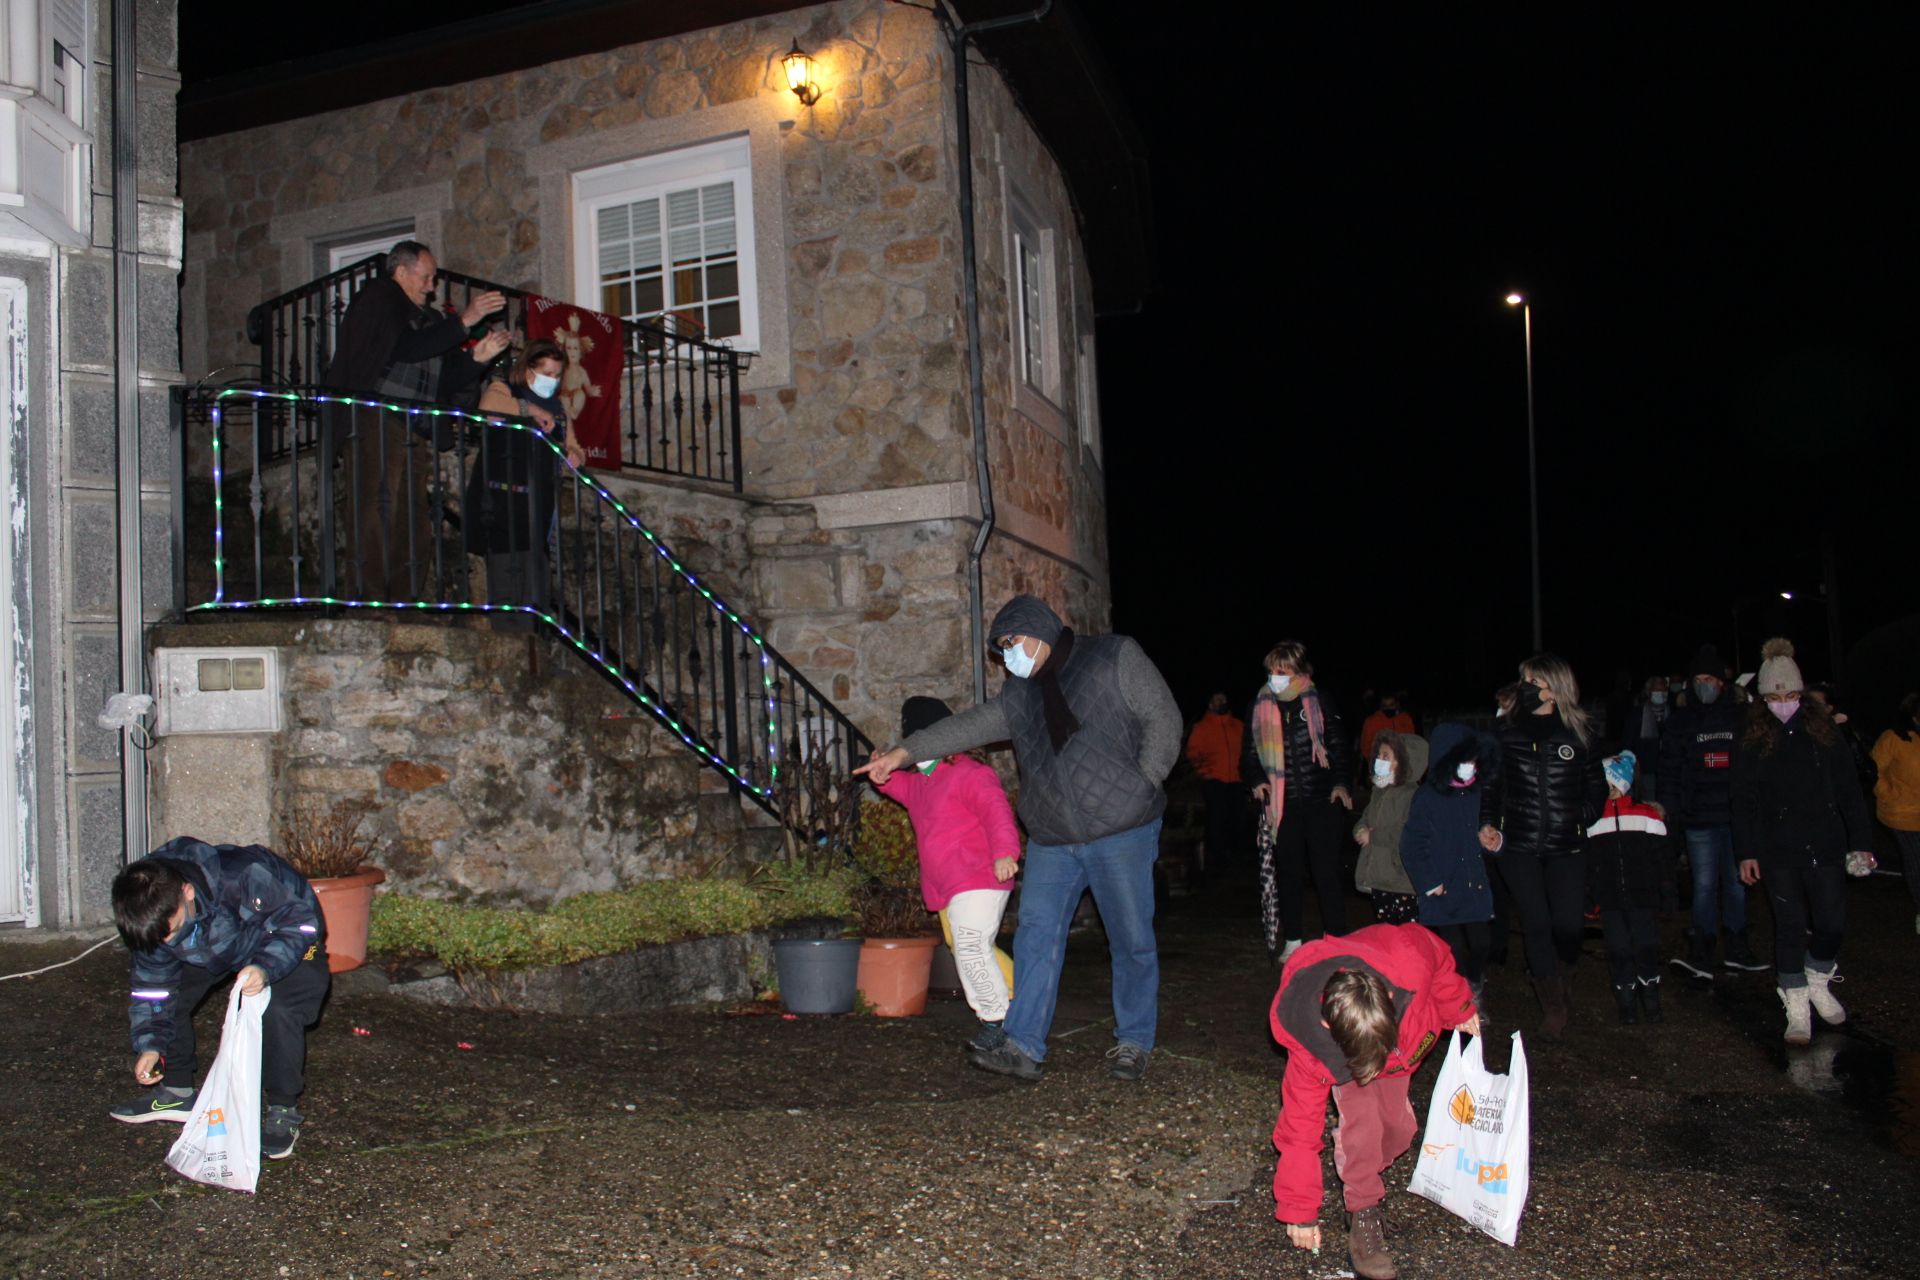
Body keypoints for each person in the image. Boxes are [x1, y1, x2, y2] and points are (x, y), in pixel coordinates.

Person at [855, 594, 1181, 1082]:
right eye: (1001, 648)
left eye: (1012, 643)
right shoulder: (1019, 696)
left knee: (1131, 940)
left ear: (1039, 630)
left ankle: (1133, 1040)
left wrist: (1143, 782)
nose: (1008, 656)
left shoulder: (1113, 657)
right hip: (1052, 836)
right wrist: (902, 754)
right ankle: (1023, 1044)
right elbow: (964, 728)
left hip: (1123, 829)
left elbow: (1164, 717)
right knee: (1035, 937)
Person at [1270, 923, 1480, 1280]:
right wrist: (1298, 1210)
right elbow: (1298, 1130)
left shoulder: (1407, 958)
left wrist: (1457, 1005)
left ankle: (1362, 1170)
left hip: (1400, 1050)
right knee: (1363, 1128)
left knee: (1399, 1131)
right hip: (1350, 1061)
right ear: (1326, 1028)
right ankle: (1363, 1210)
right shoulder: (1310, 1046)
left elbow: (1441, 961)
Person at [109, 838, 331, 1161]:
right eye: (156, 938)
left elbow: (299, 923)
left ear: (186, 892)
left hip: (283, 932)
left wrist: (263, 968)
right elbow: (153, 987)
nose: (163, 942)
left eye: (168, 932)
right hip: (215, 939)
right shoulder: (150, 914)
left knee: (279, 1009)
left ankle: (283, 1108)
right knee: (170, 996)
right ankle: (177, 1091)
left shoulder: (243, 876)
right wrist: (150, 1045)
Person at [323, 240, 509, 602]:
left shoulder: (433, 320)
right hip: (375, 415)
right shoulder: (378, 300)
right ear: (401, 271)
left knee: (413, 518)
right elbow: (405, 348)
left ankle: (406, 600)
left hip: (413, 423)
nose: (431, 285)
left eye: (433, 278)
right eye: (426, 277)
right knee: (377, 507)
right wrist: (465, 320)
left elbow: (445, 377)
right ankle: (368, 598)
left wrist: (478, 358)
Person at [1731, 639, 1876, 1046]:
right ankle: (1795, 1004)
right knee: (1790, 926)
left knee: (1831, 921)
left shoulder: (1823, 730)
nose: (1783, 702)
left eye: (1791, 694)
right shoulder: (1751, 735)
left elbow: (1849, 790)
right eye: (1775, 695)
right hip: (1776, 847)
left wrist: (1860, 843)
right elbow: (1740, 799)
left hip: (1824, 841)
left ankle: (1817, 977)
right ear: (1762, 697)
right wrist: (1746, 852)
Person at [871, 696, 1021, 1049]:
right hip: (948, 884)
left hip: (979, 877)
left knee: (970, 946)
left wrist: (1005, 852)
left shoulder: (970, 772)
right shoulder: (921, 781)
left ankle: (996, 1021)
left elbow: (996, 811)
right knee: (966, 947)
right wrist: (881, 774)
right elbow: (896, 787)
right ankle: (1020, 998)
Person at [1479, 653, 1606, 1040]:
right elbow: (1491, 785)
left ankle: (1562, 974)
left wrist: (1579, 815)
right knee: (1535, 923)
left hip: (1566, 847)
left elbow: (1596, 788)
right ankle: (1552, 1004)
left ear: (1554, 688)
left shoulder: (1580, 733)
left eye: (1533, 681)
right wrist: (1486, 822)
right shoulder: (1506, 734)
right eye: (1524, 680)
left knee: (1568, 926)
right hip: (1519, 845)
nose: (1526, 688)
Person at [1242, 641, 1355, 961]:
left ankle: (1336, 938)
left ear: (1298, 672)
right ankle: (1293, 939)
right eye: (1270, 671)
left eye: (1282, 671)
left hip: (1322, 801)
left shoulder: (1319, 701)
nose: (1274, 677)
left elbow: (1339, 747)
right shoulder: (1259, 706)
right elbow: (1249, 756)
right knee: (1289, 872)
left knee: (1326, 872)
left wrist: (1341, 784)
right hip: (1283, 805)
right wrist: (1256, 780)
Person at [1659, 643, 1762, 977]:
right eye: (1699, 678)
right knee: (1703, 885)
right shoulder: (1680, 721)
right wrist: (1670, 809)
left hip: (1735, 818)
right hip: (1698, 818)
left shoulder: (1739, 717)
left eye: (1710, 678)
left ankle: (1737, 945)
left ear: (1722, 682)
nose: (1705, 684)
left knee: (1736, 883)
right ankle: (1702, 947)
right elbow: (1669, 770)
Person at [466, 338, 583, 626]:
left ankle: (533, 640)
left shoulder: (559, 408)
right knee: (507, 577)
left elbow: (574, 445)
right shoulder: (505, 389)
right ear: (529, 369)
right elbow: (489, 407)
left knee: (536, 581)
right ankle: (510, 638)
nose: (552, 381)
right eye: (547, 373)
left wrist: (575, 454)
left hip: (539, 503)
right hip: (504, 501)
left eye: (557, 375)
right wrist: (530, 409)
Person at [1399, 722, 1500, 1012]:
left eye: (1473, 759)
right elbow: (1412, 844)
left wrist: (1494, 841)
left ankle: (1474, 983)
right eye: (1463, 760)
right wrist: (1429, 882)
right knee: (1452, 950)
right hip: (1443, 890)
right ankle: (1461, 1004)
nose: (1469, 766)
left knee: (1482, 943)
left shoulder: (1479, 794)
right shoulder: (1428, 798)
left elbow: (1492, 831)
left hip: (1473, 886)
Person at [1587, 752, 1673, 1024]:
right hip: (1611, 900)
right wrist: (1589, 898)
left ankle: (1651, 999)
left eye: (1612, 785)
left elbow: (1663, 862)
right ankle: (1626, 1004)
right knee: (1619, 949)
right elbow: (1589, 864)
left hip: (1642, 896)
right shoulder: (1594, 821)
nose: (1608, 791)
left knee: (1646, 946)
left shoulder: (1647, 815)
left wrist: (1667, 895)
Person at [1353, 731, 1429, 925]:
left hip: (1401, 880)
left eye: (1386, 756)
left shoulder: (1413, 796)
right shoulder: (1379, 791)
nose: (1380, 759)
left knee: (1406, 935)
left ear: (1405, 761)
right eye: (1378, 755)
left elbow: (1407, 832)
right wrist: (1360, 830)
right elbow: (1365, 818)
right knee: (1385, 932)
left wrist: (1374, 838)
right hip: (1380, 876)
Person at [1870, 691, 1920, 936]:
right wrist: (1891, 795)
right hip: (1902, 812)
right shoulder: (1894, 738)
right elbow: (1873, 769)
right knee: (1916, 862)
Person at [1184, 692, 1246, 874]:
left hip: (1237, 780)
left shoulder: (1238, 726)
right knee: (1217, 819)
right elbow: (1193, 753)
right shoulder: (1201, 727)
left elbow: (1248, 750)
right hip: (1214, 781)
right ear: (1210, 705)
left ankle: (1238, 858)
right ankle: (1218, 859)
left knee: (1239, 820)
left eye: (1224, 699)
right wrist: (1205, 774)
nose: (1222, 702)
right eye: (1217, 700)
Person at [1358, 692, 1415, 767]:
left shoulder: (1405, 719)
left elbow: (1411, 740)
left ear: (1397, 704)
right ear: (1381, 706)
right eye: (1385, 706)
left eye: (1391, 705)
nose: (1388, 708)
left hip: (1402, 763)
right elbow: (1365, 745)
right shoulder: (1371, 721)